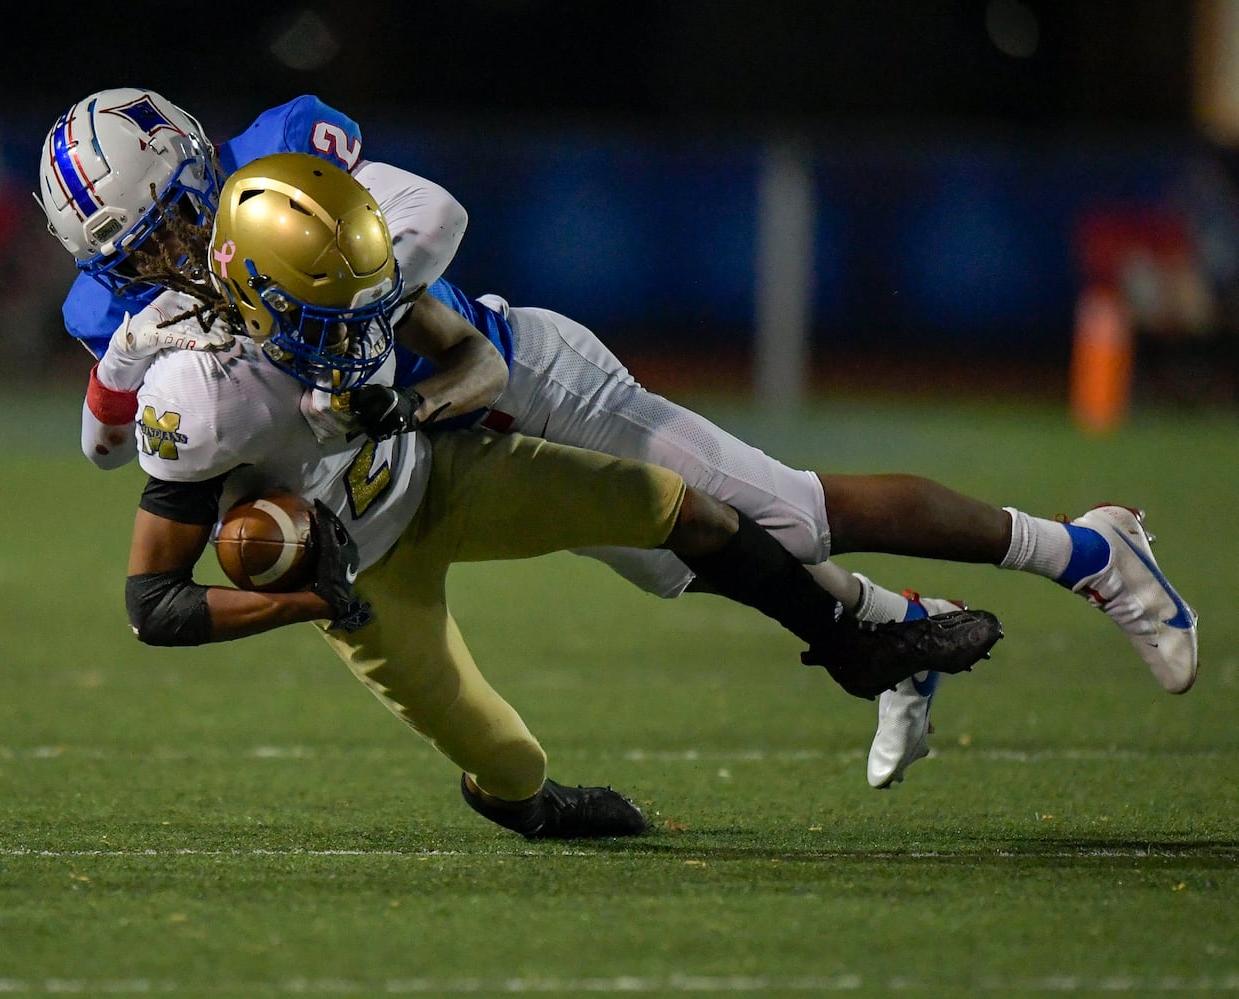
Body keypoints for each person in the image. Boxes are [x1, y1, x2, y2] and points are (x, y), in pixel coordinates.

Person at [38, 92, 1198, 792]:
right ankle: (891, 635)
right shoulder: (129, 313)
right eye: (137, 252)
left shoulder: (285, 169)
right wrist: (126, 368)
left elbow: (434, 215)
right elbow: (111, 446)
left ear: (201, 167)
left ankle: (1086, 553)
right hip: (424, 455)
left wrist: (349, 299)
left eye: (179, 219)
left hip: (518, 376)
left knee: (784, 512)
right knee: (684, 560)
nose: (171, 255)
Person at [121, 155, 1004, 837]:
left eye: (367, 303)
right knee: (507, 761)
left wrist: (412, 405)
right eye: (327, 317)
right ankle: (535, 811)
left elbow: (475, 361)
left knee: (676, 507)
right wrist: (314, 595)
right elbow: (153, 605)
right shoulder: (202, 402)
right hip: (366, 573)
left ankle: (848, 643)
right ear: (252, 301)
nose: (356, 330)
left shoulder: (346, 276)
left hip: (436, 473)